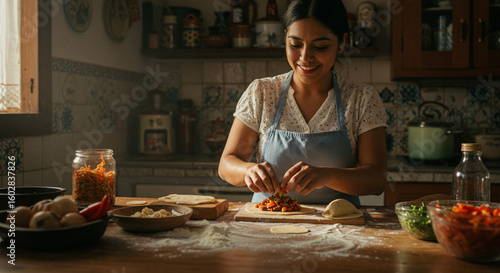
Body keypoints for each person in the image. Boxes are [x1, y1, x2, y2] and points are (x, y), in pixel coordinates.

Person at [218, 0, 387, 206]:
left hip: (338, 228)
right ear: (285, 37)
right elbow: (227, 164)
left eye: (320, 46)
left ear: (342, 42)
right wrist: (248, 170)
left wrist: (327, 176)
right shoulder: (262, 93)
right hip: (267, 226)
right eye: (295, 44)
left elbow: (377, 180)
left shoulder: (361, 98)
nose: (305, 57)